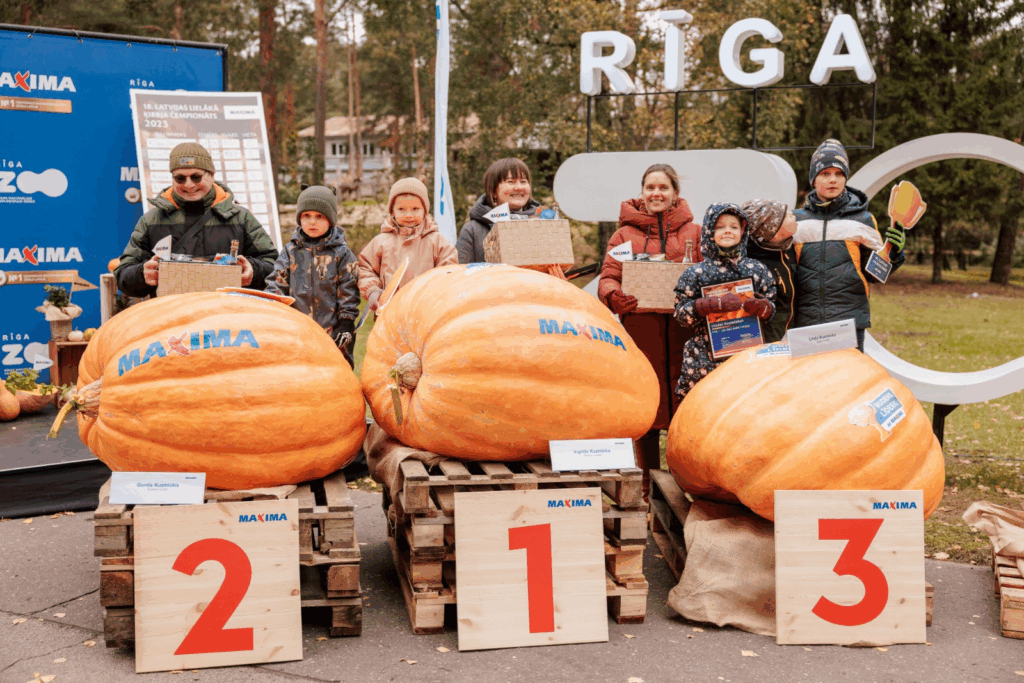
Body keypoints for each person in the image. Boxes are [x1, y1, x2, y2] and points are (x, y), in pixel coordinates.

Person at [597, 163, 702, 490]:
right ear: (642, 193)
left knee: (688, 412)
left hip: (685, 336)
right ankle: (645, 489)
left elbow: (710, 272)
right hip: (641, 333)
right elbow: (609, 276)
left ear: (675, 194)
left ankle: (687, 484)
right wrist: (614, 296)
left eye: (663, 188)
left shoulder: (695, 233)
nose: (656, 193)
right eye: (650, 188)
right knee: (645, 409)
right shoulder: (624, 235)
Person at [115, 142, 278, 297]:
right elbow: (123, 275)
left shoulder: (241, 218)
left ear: (212, 175)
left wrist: (253, 270)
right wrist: (142, 273)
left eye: (196, 177)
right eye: (180, 178)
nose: (189, 185)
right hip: (172, 318)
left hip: (227, 318)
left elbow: (274, 266)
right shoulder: (151, 220)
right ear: (172, 178)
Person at [792, 139, 907, 351]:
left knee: (847, 382)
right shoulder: (795, 221)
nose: (832, 180)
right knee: (811, 383)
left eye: (839, 174)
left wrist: (894, 254)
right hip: (805, 321)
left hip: (849, 323)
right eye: (825, 174)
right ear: (813, 179)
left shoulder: (863, 219)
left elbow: (874, 274)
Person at [674, 203, 776, 398]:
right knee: (703, 405)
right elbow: (681, 316)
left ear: (743, 231)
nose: (727, 231)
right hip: (705, 356)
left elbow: (772, 307)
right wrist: (710, 305)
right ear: (709, 232)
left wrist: (763, 308)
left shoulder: (757, 270)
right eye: (720, 227)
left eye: (734, 227)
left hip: (747, 355)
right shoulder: (695, 273)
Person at [264, 186, 360, 365]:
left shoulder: (343, 254)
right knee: (300, 373)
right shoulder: (290, 251)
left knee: (337, 372)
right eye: (306, 215)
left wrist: (346, 322)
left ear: (330, 220)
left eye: (319, 216)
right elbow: (276, 285)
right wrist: (274, 314)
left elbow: (349, 290)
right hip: (296, 330)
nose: (312, 222)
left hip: (333, 331)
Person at [358, 177, 458, 312]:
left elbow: (449, 270)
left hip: (426, 312)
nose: (408, 215)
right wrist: (372, 290)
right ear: (392, 211)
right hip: (389, 313)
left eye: (415, 209)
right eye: (402, 209)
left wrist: (435, 292)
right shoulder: (381, 241)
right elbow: (365, 268)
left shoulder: (437, 241)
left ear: (425, 211)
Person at [457, 158, 542, 264]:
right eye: (511, 182)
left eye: (523, 181)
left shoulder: (544, 224)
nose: (519, 187)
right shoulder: (472, 230)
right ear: (493, 192)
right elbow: (461, 274)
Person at [742, 199, 798, 343]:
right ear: (772, 229)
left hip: (790, 338)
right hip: (768, 344)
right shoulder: (754, 266)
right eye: (785, 215)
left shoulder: (787, 250)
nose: (792, 213)